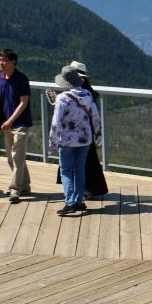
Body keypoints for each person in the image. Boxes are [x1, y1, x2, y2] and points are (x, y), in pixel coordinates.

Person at [49, 65, 101, 216]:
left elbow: (56, 121)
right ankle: (78, 201)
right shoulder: (87, 95)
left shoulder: (62, 98)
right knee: (79, 169)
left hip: (67, 140)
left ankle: (70, 202)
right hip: (85, 139)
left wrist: (52, 141)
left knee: (66, 170)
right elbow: (95, 118)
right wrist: (98, 137)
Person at [0, 49, 32, 203]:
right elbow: (0, 97)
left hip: (20, 123)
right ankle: (25, 185)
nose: (0, 63)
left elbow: (24, 102)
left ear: (13, 62)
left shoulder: (21, 79)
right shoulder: (0, 78)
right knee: (12, 157)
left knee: (17, 156)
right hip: (6, 123)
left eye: (4, 60)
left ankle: (15, 189)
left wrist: (11, 120)